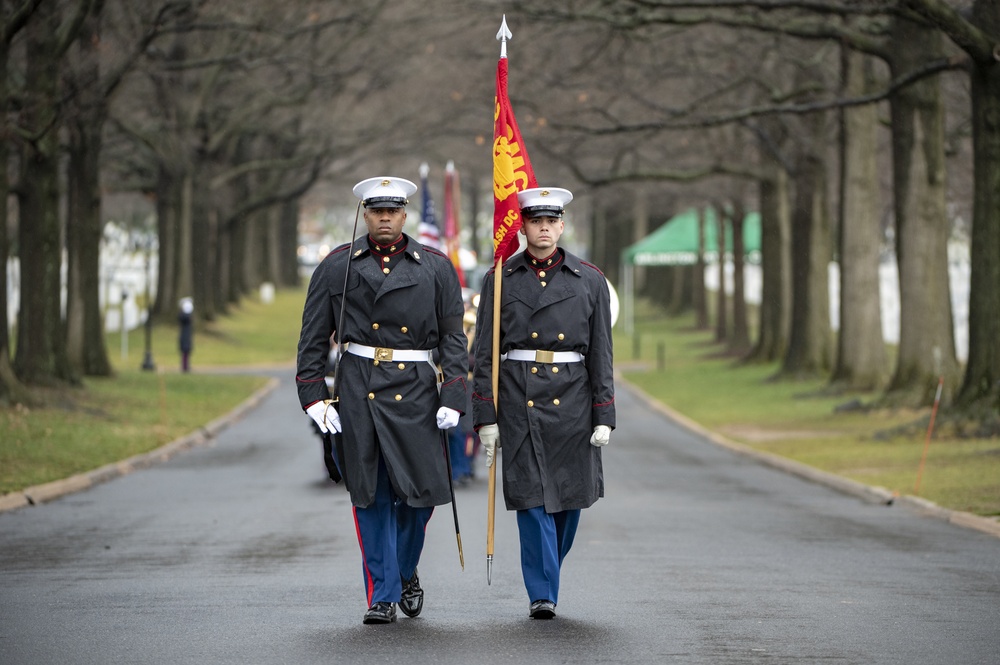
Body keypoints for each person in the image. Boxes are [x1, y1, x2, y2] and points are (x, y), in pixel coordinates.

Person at [296, 176, 468, 625]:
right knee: (369, 494)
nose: (385, 218)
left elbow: (453, 337)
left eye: (393, 210)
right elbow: (313, 337)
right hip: (358, 388)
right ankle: (382, 593)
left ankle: (405, 570)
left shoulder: (435, 266)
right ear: (366, 214)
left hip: (415, 388)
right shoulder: (338, 266)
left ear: (405, 214)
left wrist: (454, 392)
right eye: (377, 211)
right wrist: (314, 396)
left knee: (421, 496)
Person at [472, 186, 615, 620]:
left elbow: (601, 352)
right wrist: (486, 415)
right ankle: (542, 593)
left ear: (562, 226)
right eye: (537, 221)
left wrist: (604, 413)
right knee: (532, 500)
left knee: (568, 503)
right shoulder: (499, 279)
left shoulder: (589, 279)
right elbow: (483, 353)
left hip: (573, 400)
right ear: (524, 227)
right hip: (519, 397)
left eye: (552, 221)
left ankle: (547, 572)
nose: (545, 229)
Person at [178, 297, 194, 372]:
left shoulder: (185, 316)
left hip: (186, 336)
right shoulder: (184, 317)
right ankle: (185, 367)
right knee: (185, 352)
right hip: (185, 337)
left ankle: (186, 366)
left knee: (186, 352)